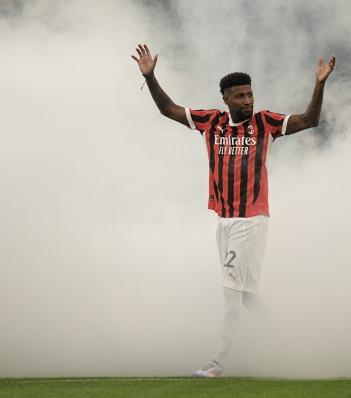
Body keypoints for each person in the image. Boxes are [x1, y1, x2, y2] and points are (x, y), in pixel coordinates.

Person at [131, 44, 336, 377]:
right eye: (240, 96)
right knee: (246, 296)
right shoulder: (211, 122)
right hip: (224, 220)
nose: (247, 101)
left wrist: (320, 84)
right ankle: (288, 345)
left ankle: (217, 363)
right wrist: (150, 76)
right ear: (225, 98)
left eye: (250, 95)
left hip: (251, 220)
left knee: (230, 293)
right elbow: (168, 108)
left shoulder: (265, 123)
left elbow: (310, 120)